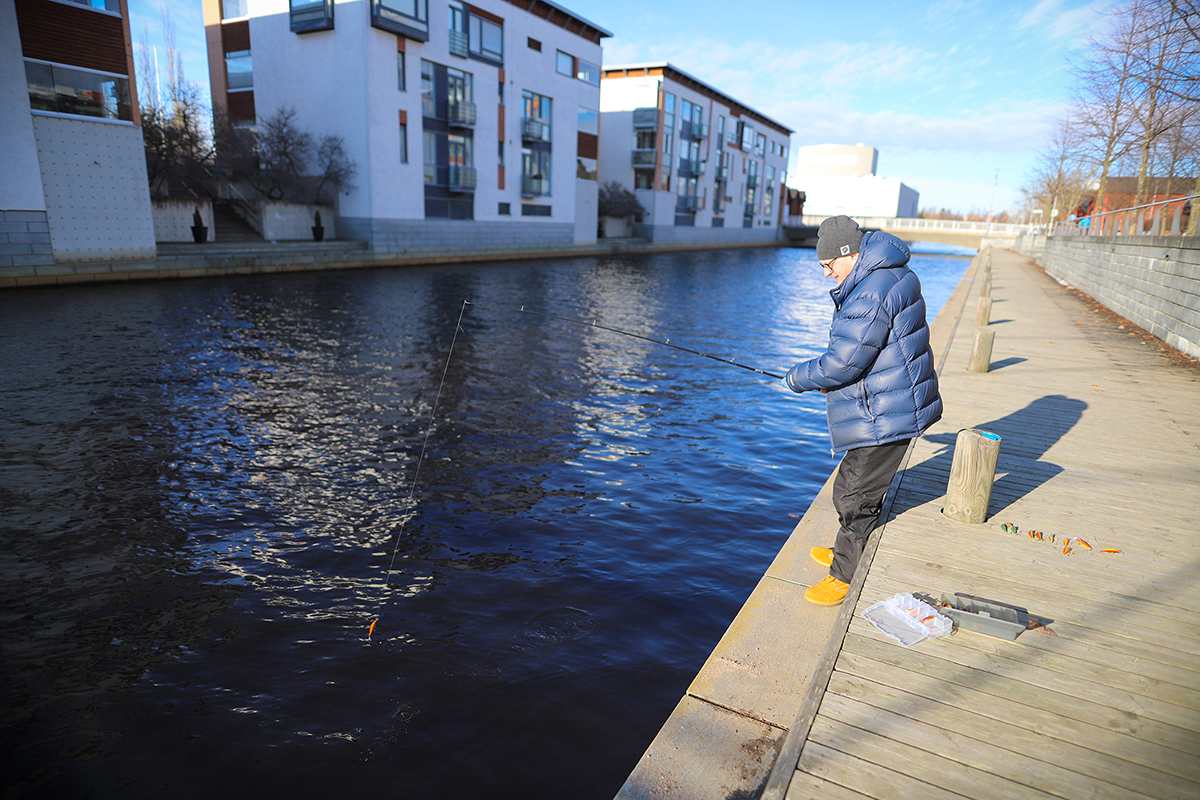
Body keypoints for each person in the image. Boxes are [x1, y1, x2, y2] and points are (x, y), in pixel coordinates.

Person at [784, 216, 943, 606]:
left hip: (887, 411)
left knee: (856, 495)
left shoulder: (871, 290)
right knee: (854, 484)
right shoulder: (884, 274)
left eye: (828, 265)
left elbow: (844, 361)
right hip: (890, 400)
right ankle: (845, 549)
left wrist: (797, 377)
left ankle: (845, 572)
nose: (827, 274)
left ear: (849, 254)